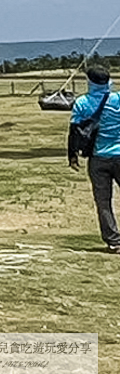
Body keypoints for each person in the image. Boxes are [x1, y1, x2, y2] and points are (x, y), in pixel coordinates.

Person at [70, 65, 120, 253]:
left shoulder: (82, 102)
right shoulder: (118, 99)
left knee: (103, 201)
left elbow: (74, 131)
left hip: (98, 158)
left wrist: (73, 156)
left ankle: (114, 241)